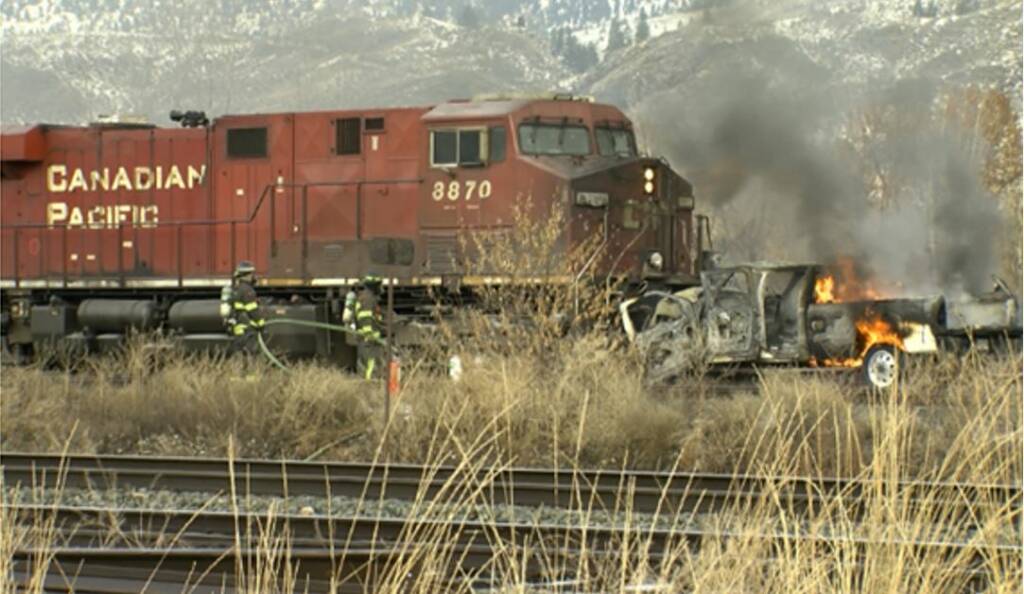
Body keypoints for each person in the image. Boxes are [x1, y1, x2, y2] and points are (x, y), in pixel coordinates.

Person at [345, 273, 384, 379]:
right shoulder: (368, 299)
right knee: (370, 364)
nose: (381, 288)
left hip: (368, 339)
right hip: (369, 339)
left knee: (369, 363)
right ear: (373, 286)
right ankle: (370, 385)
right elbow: (365, 317)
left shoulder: (367, 297)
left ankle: (369, 383)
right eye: (379, 285)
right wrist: (369, 334)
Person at [227, 260, 265, 354]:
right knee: (251, 354)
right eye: (252, 274)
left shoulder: (237, 289)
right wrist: (261, 324)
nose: (253, 277)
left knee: (240, 353)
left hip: (238, 330)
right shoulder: (248, 290)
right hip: (247, 330)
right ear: (247, 275)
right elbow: (252, 309)